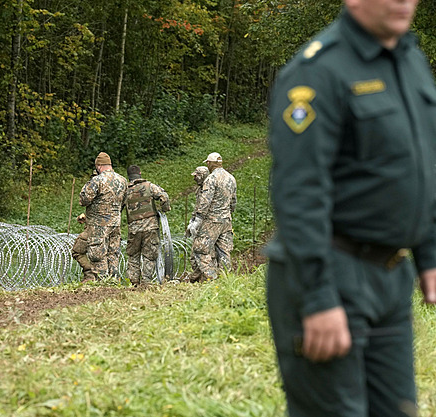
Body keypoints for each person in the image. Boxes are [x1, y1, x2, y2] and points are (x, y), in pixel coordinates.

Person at [266, 1, 436, 415]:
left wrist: (429, 254)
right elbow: (299, 192)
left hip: (391, 278)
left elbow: (419, 169)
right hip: (331, 269)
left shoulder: (410, 61)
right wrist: (319, 298)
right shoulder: (317, 70)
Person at [186, 152, 237, 282]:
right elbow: (233, 201)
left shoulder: (211, 179)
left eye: (207, 163)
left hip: (211, 221)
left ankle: (211, 278)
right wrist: (227, 214)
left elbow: (205, 202)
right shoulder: (231, 178)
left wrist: (197, 221)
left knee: (200, 249)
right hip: (226, 220)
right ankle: (226, 279)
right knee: (224, 252)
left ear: (210, 163)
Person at [79, 152, 127, 279]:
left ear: (98, 166)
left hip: (98, 225)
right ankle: (113, 281)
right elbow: (124, 201)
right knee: (113, 253)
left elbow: (84, 199)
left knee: (97, 254)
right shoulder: (123, 181)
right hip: (115, 223)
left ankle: (102, 283)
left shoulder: (97, 181)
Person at [124, 165, 171, 286]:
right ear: (140, 173)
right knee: (149, 255)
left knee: (133, 255)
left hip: (134, 228)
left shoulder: (125, 190)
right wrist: (164, 209)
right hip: (150, 227)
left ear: (128, 176)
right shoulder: (149, 186)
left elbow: (117, 208)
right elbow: (164, 197)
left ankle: (133, 283)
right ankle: (146, 282)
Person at [185, 166, 210, 283]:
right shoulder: (200, 189)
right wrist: (192, 221)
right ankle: (198, 278)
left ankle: (199, 278)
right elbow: (197, 208)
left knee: (200, 251)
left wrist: (198, 222)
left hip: (206, 224)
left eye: (196, 176)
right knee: (194, 253)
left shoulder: (208, 189)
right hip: (199, 223)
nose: (194, 178)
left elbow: (204, 208)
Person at [71, 213, 96, 282]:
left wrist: (86, 216)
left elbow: (85, 202)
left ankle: (90, 276)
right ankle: (110, 277)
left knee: (77, 251)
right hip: (113, 228)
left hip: (94, 229)